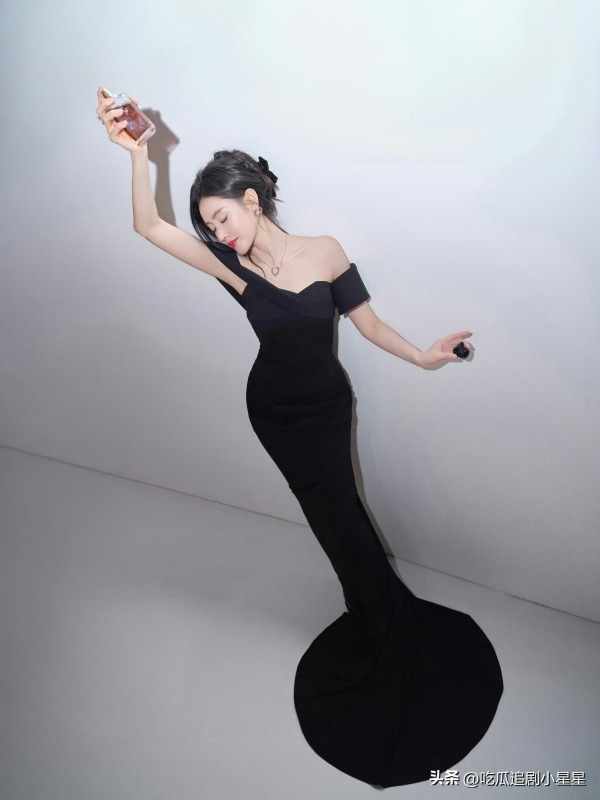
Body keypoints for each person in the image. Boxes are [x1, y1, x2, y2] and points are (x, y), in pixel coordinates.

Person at [96, 87, 503, 788]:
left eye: (223, 217)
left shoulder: (324, 251)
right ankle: (374, 613)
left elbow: (367, 325)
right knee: (331, 522)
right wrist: (138, 153)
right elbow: (148, 226)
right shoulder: (230, 267)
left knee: (346, 522)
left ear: (253, 200)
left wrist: (423, 356)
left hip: (326, 411)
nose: (219, 233)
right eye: (209, 225)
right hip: (275, 416)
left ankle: (384, 623)